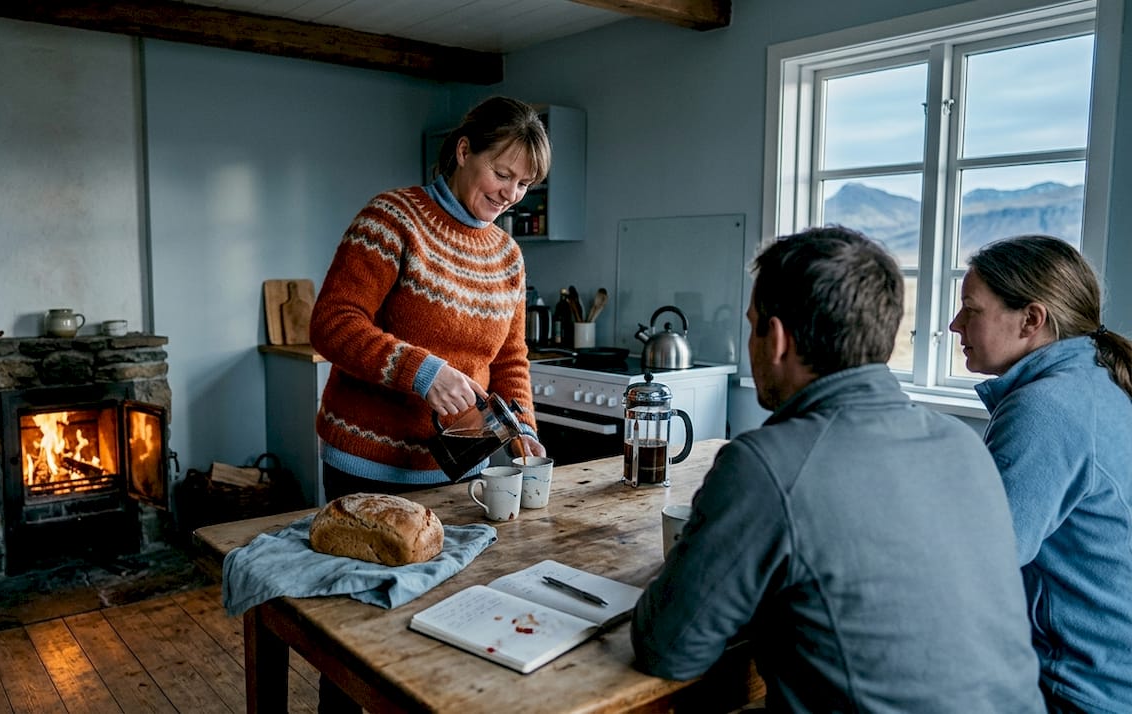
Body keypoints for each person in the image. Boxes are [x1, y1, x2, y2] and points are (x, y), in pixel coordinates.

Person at [631, 226, 1044, 712]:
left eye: (752, 325)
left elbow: (669, 650)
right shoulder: (962, 443)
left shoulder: (764, 465)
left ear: (778, 338)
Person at [308, 97, 549, 711]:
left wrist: (520, 427)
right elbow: (332, 323)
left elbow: (509, 361)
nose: (511, 194)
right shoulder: (393, 218)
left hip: (461, 464)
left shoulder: (509, 257)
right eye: (503, 174)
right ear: (464, 150)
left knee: (442, 626)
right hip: (367, 461)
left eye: (524, 184)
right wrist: (420, 371)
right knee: (357, 634)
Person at [949, 234, 1132, 713]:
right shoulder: (1096, 380)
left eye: (971, 309)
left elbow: (979, 566)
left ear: (1031, 319)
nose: (954, 324)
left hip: (1078, 689)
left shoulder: (1045, 408)